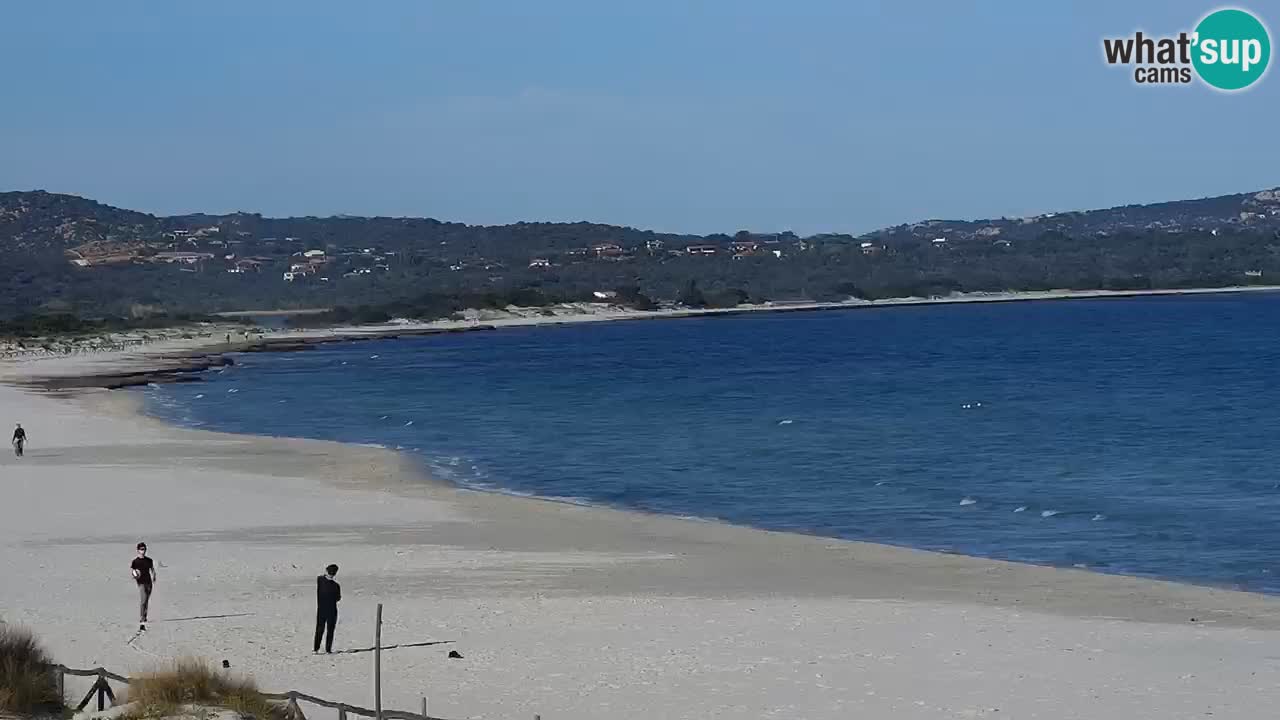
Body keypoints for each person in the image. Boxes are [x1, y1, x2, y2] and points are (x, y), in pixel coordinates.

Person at [314, 564, 341, 654]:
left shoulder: (320, 580)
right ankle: (328, 649)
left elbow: (321, 576)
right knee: (330, 630)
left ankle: (316, 648)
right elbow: (338, 598)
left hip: (321, 609)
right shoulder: (336, 586)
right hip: (332, 610)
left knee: (319, 629)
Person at [130, 542, 157, 631]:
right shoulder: (135, 562)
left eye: (144, 549)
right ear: (138, 550)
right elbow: (133, 572)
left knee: (146, 601)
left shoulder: (149, 560)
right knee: (143, 600)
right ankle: (142, 618)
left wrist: (154, 576)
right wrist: (135, 576)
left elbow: (152, 569)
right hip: (141, 583)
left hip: (149, 582)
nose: (143, 551)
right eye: (141, 549)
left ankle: (145, 617)